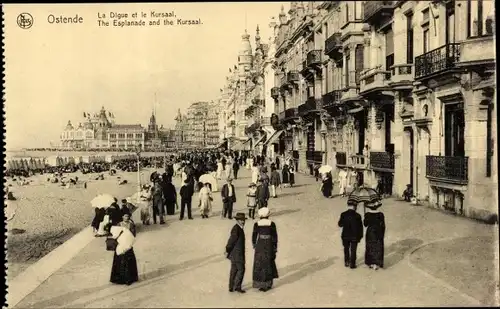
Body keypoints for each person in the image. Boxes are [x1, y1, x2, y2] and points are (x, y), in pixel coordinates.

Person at [252, 207, 279, 292]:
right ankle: (268, 284)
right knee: (268, 263)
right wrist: (275, 247)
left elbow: (254, 236)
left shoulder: (257, 224)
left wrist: (254, 245)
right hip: (269, 244)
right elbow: (275, 237)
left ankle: (260, 283)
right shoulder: (272, 224)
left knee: (259, 263)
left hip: (260, 245)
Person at [225, 212, 247, 294]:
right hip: (237, 254)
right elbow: (232, 240)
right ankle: (237, 287)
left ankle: (231, 287)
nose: (243, 221)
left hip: (234, 254)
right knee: (241, 269)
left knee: (234, 270)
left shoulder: (238, 228)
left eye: (243, 220)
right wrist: (227, 249)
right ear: (237, 220)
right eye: (241, 220)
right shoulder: (236, 228)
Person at [338, 201, 364, 269]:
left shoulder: (343, 214)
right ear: (354, 206)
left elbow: (340, 224)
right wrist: (360, 236)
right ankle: (352, 264)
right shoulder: (358, 216)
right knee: (353, 250)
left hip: (345, 235)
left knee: (346, 248)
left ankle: (347, 261)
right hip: (354, 236)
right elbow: (360, 227)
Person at [364, 200, 385, 270]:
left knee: (370, 247)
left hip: (370, 232)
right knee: (377, 247)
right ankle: (376, 263)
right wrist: (382, 233)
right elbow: (383, 225)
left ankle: (371, 262)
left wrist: (365, 218)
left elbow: (365, 224)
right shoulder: (380, 214)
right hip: (378, 231)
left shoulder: (367, 214)